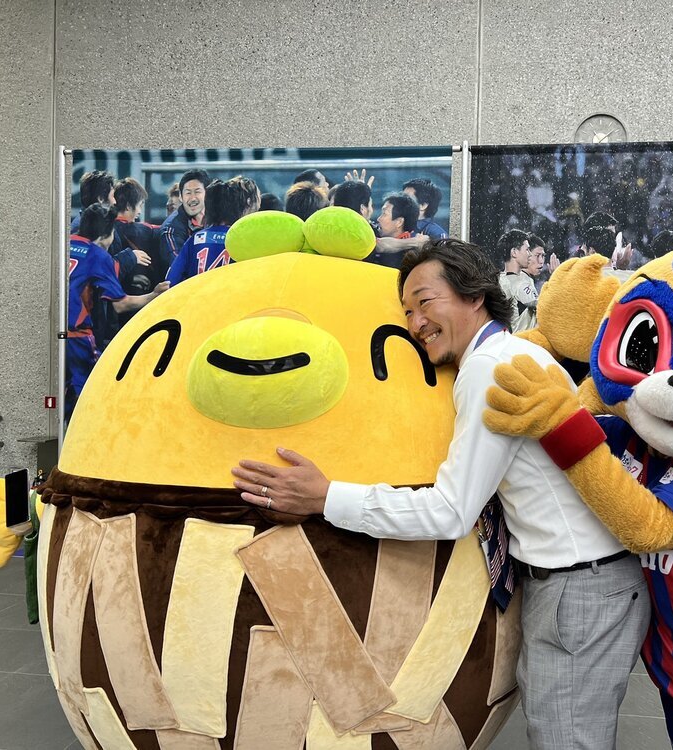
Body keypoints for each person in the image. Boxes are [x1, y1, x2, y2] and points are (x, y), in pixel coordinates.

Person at [232, 239, 649, 750]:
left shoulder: (490, 368)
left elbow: (450, 511)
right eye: (407, 312)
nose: (415, 323)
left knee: (566, 739)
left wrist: (326, 497)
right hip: (582, 582)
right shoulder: (511, 354)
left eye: (425, 302)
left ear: (475, 296)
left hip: (579, 586)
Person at [67, 204, 169, 419]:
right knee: (94, 394)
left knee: (62, 395)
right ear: (105, 235)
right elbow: (121, 304)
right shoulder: (98, 255)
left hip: (55, 335)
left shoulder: (65, 244)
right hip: (79, 338)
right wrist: (154, 295)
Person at [167, 177, 260, 286]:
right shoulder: (245, 241)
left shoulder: (196, 239)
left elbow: (170, 281)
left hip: (197, 296)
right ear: (246, 205)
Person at [159, 169, 211, 270]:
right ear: (181, 197)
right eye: (188, 193)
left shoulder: (218, 219)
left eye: (197, 192)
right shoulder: (171, 229)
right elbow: (178, 266)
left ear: (207, 194)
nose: (193, 198)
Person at [496, 229, 537, 332]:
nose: (530, 254)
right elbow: (542, 305)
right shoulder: (508, 283)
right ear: (514, 252)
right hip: (521, 340)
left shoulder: (524, 277)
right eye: (527, 250)